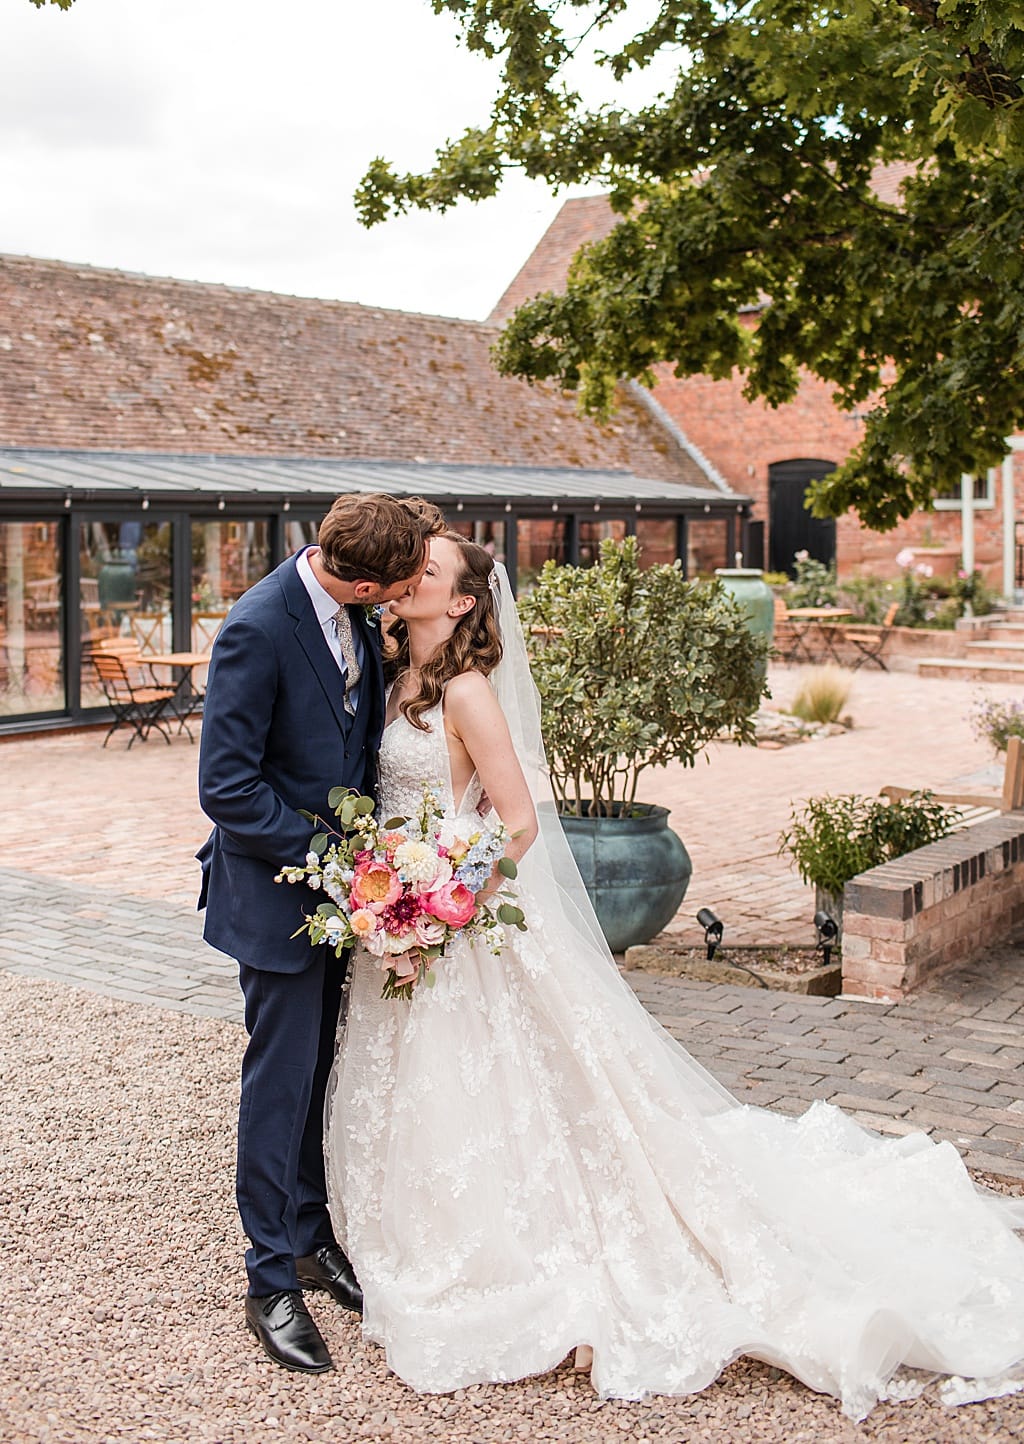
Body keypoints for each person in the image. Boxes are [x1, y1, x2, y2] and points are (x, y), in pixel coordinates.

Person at [323, 532, 1024, 1421]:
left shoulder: (465, 692)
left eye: (428, 570)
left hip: (453, 925)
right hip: (397, 920)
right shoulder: (389, 678)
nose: (411, 577)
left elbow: (518, 823)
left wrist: (443, 905)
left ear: (461, 603)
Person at [196, 492, 444, 1375]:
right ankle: (269, 1279)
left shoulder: (354, 613)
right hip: (278, 898)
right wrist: (332, 860)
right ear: (369, 580)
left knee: (320, 1073)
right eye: (405, 581)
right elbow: (225, 788)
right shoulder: (256, 629)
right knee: (278, 1082)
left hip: (353, 897)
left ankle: (308, 1235)